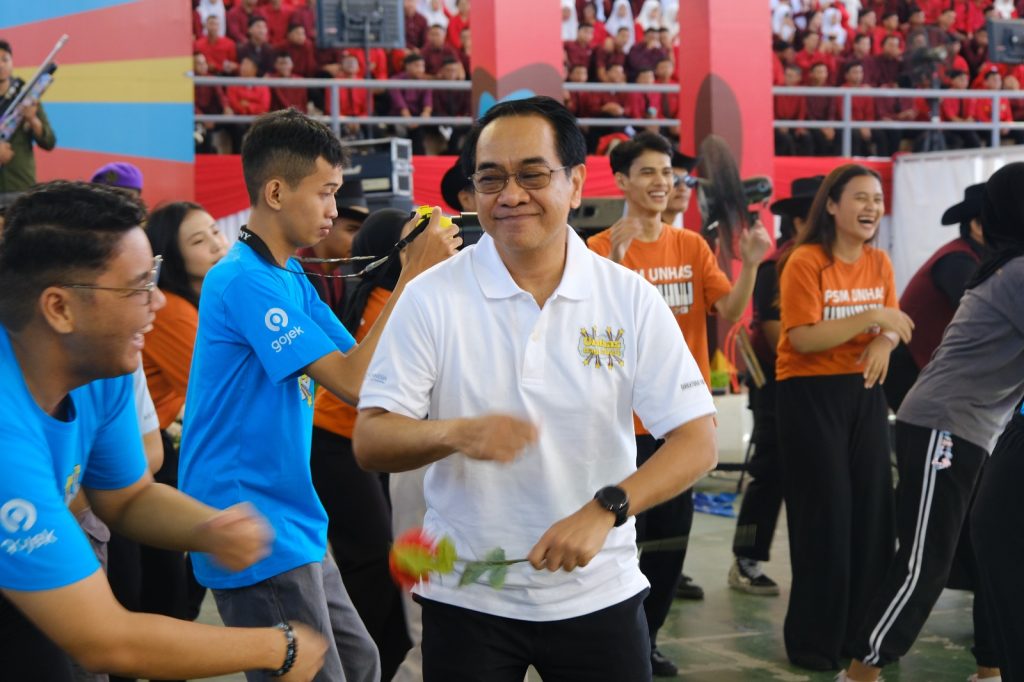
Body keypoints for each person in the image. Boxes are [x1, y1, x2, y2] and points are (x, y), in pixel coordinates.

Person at [354, 96, 719, 682]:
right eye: (490, 178)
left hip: (599, 590)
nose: (510, 195)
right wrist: (459, 432)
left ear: (575, 183)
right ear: (471, 193)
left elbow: (697, 439)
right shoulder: (431, 297)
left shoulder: (627, 298)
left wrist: (608, 509)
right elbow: (371, 440)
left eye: (532, 174)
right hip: (468, 593)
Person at [0, 181, 327, 681]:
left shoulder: (100, 371)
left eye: (153, 277)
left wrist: (207, 527)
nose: (156, 304)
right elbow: (106, 641)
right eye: (137, 287)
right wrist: (279, 646)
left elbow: (126, 498)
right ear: (59, 308)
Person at [177, 108, 457, 682]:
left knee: (359, 661)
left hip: (292, 511)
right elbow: (353, 381)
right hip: (249, 516)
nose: (334, 209)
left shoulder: (288, 274)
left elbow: (364, 364)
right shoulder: (246, 280)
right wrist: (412, 276)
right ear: (276, 191)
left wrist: (416, 276)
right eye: (326, 193)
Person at [586, 131, 771, 677]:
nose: (662, 183)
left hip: (678, 422)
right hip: (619, 421)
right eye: (648, 172)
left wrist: (753, 264)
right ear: (620, 181)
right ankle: (615, 641)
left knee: (669, 544)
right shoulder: (598, 249)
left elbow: (731, 310)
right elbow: (590, 326)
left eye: (668, 173)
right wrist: (616, 261)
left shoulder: (690, 246)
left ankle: (649, 638)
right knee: (618, 541)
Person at [845, 162, 1024, 682]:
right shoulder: (1015, 273)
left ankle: (991, 666)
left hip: (975, 429)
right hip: (944, 427)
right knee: (926, 561)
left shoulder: (1004, 266)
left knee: (988, 548)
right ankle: (860, 672)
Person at [775, 163, 914, 672]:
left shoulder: (880, 262)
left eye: (877, 199)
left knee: (874, 518)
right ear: (831, 205)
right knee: (825, 519)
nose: (871, 207)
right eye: (860, 197)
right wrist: (873, 319)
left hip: (865, 393)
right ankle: (815, 642)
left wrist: (884, 338)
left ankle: (865, 638)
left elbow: (898, 323)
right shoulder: (805, 261)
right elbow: (803, 337)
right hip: (810, 398)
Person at [310, 209, 417, 681]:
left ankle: (378, 653)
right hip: (337, 446)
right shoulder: (383, 304)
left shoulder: (379, 296)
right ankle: (367, 658)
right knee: (371, 559)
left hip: (353, 444)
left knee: (374, 557)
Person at [729, 176, 823, 597]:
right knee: (770, 472)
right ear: (802, 220)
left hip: (820, 387)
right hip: (777, 387)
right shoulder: (775, 267)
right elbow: (776, 333)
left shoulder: (830, 261)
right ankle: (746, 559)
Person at [884, 183, 986, 412]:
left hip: (928, 371)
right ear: (977, 226)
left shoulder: (976, 258)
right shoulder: (958, 261)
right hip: (909, 368)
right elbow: (981, 320)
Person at [297, 179, 369, 319]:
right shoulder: (302, 274)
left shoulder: (336, 275)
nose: (358, 240)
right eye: (352, 230)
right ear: (326, 224)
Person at [0, 39, 57, 194]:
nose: (1, 65)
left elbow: (49, 142)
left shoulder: (27, 97)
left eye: (5, 59)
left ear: (12, 62)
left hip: (20, 186)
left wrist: (32, 120)